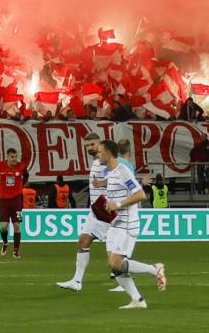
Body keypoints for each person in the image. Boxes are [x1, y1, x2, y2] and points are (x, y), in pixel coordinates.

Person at [97, 138, 166, 309]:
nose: (97, 154)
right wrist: (108, 206)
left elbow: (141, 194)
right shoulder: (109, 173)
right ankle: (137, 300)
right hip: (116, 222)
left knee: (116, 263)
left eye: (100, 151)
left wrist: (118, 205)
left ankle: (154, 269)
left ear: (108, 153)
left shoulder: (123, 171)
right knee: (113, 266)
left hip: (127, 223)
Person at [57, 132, 110, 291]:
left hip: (106, 210)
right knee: (83, 242)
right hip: (95, 210)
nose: (90, 148)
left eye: (92, 144)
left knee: (115, 251)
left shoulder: (105, 161)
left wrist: (103, 184)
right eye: (87, 145)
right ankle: (77, 281)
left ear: (99, 143)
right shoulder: (96, 162)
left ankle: (148, 271)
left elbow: (116, 178)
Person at [0, 148, 27, 259]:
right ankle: (5, 242)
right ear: (7, 157)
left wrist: (21, 185)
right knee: (3, 227)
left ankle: (16, 252)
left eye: (15, 156)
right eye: (12, 157)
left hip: (17, 200)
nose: (14, 159)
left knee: (17, 226)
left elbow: (26, 176)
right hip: (4, 200)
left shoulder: (21, 166)